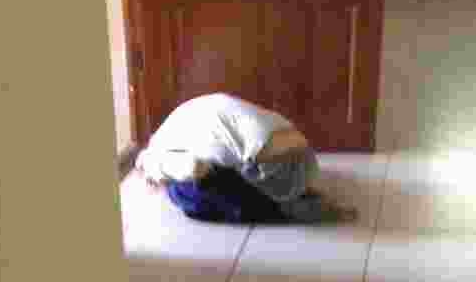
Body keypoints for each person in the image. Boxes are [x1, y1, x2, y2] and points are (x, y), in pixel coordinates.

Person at [134, 93, 358, 224]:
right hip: (303, 153)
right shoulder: (179, 117)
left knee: (183, 193)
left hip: (284, 172)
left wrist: (159, 173)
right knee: (228, 155)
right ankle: (298, 191)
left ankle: (288, 209)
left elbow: (195, 168)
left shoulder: (157, 158)